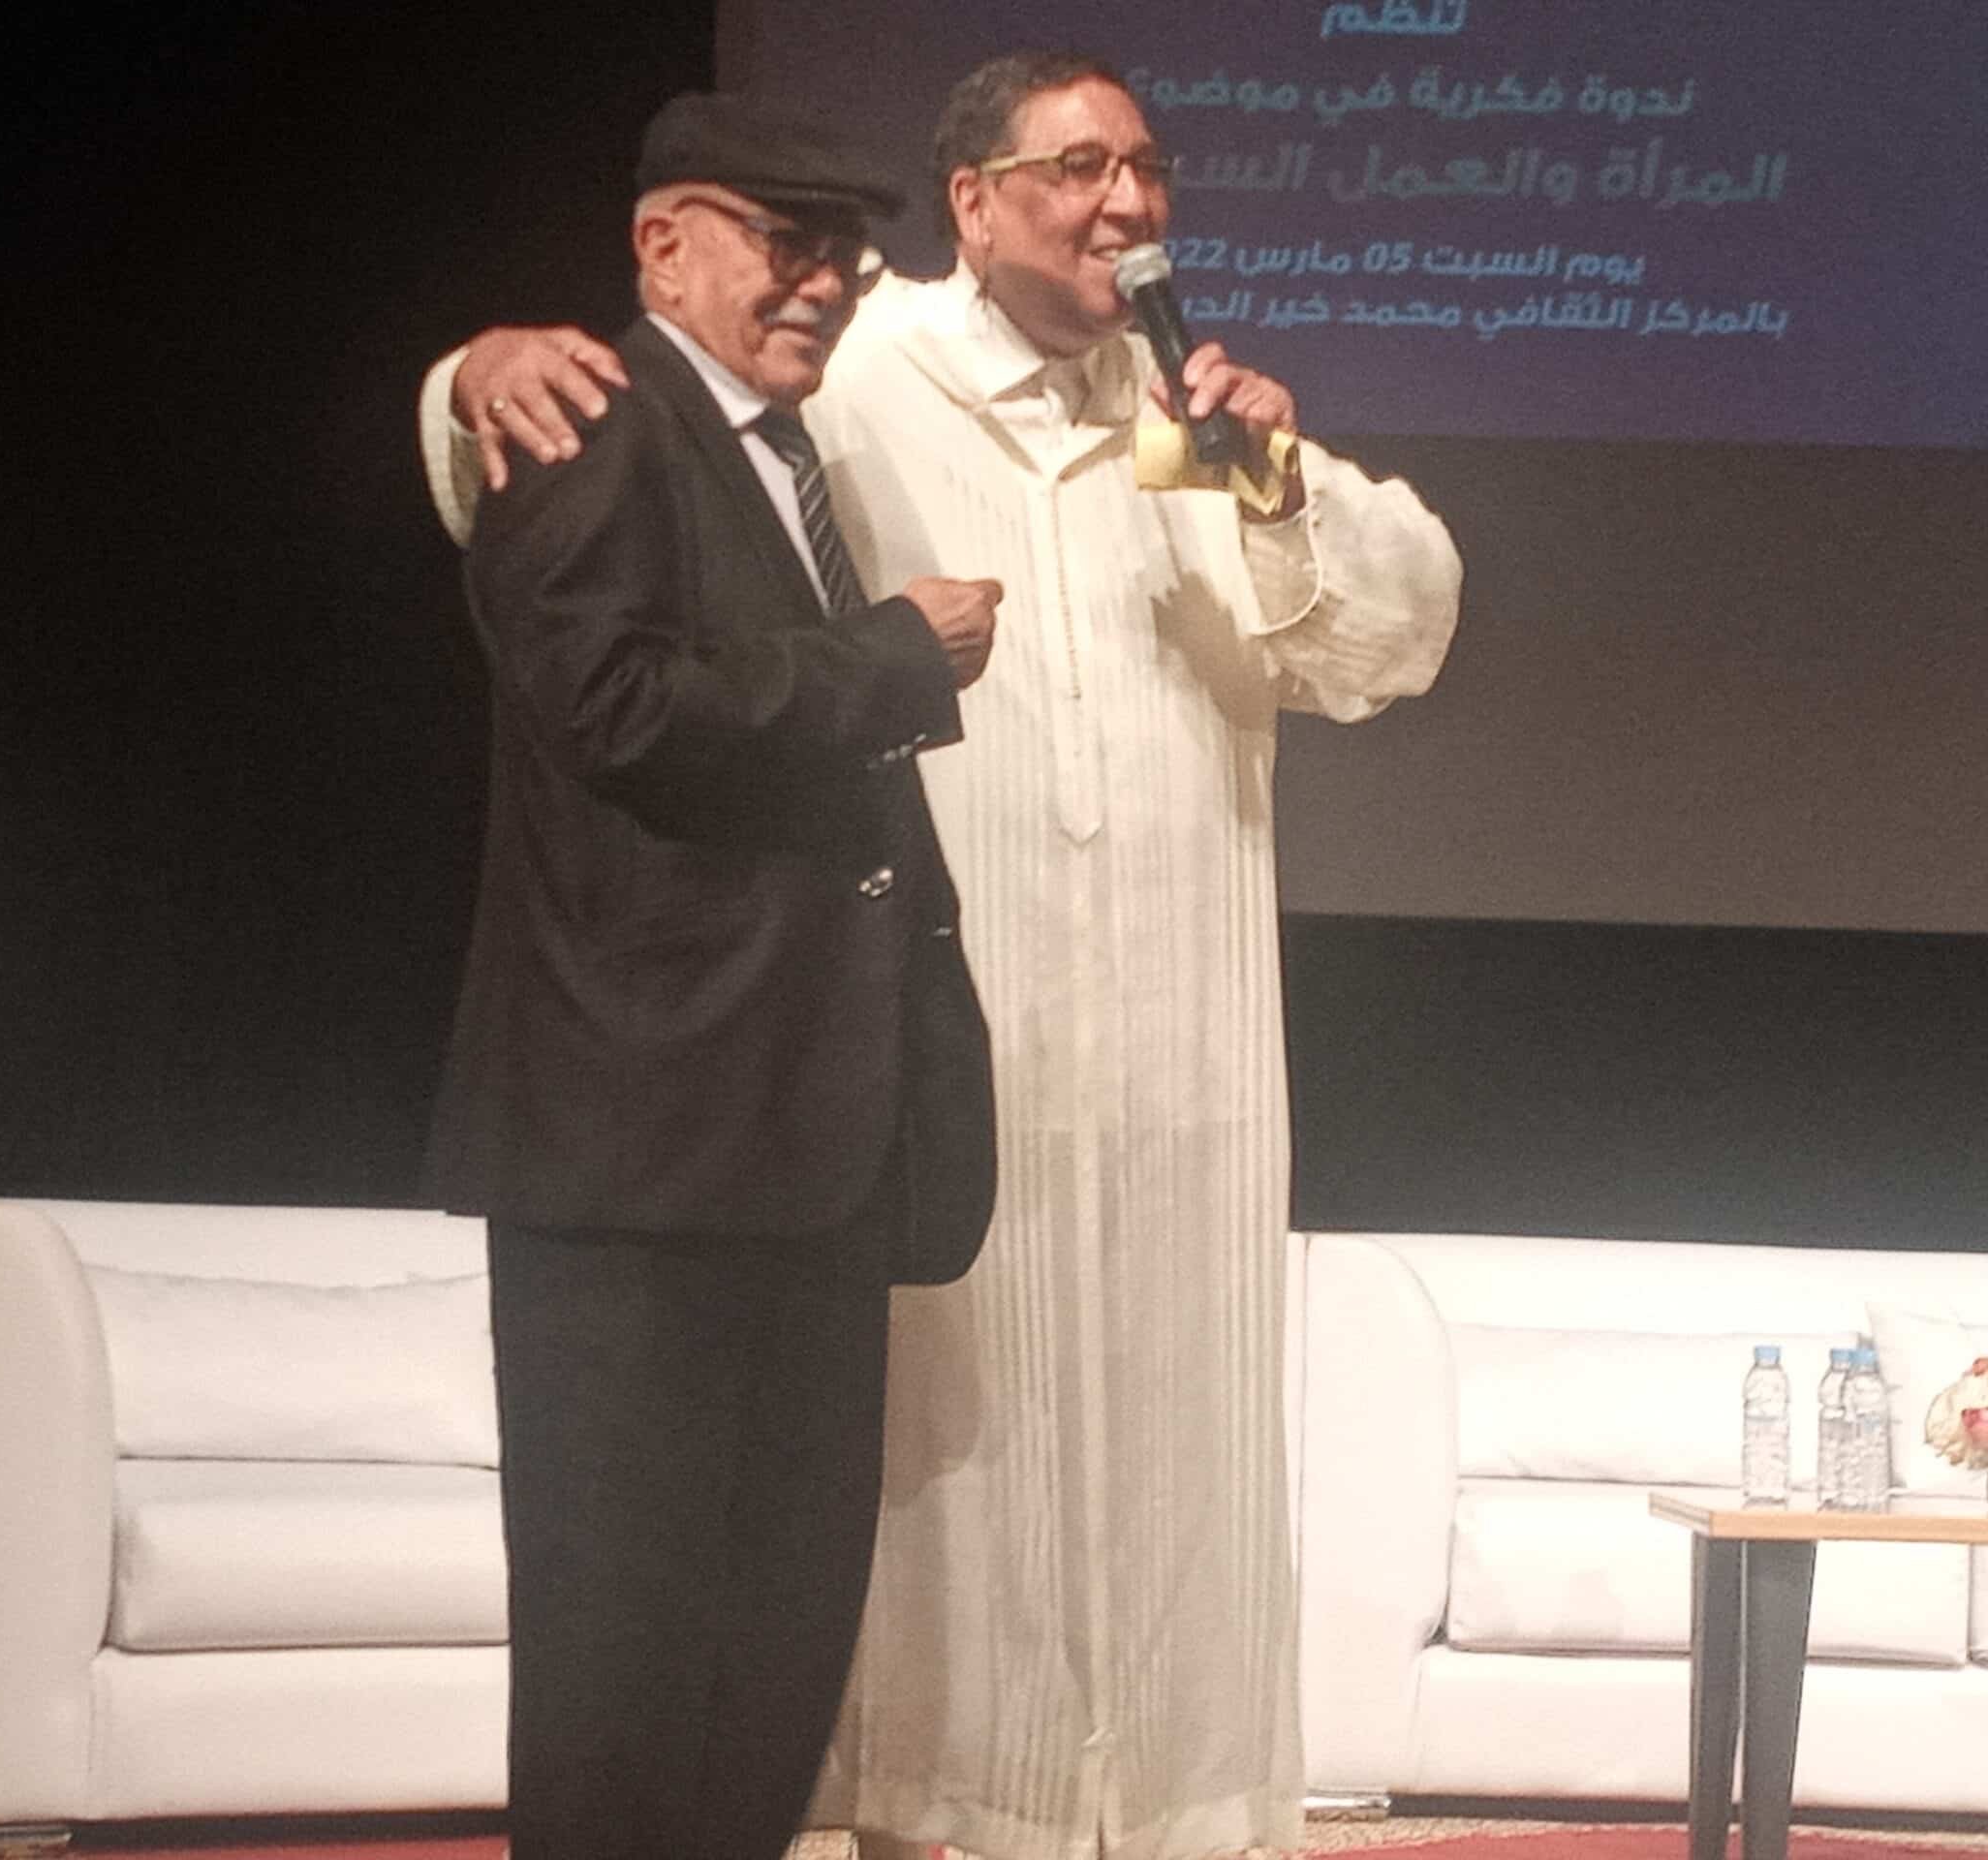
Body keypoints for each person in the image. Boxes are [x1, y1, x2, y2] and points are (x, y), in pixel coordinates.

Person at [422, 53, 1462, 1860]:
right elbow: (579, 486)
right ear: (972, 203)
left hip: (1174, 1064)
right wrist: (466, 375)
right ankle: (950, 1807)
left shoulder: (1186, 411)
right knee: (887, 1511)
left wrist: (1278, 483)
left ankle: (1159, 1816)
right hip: (912, 1055)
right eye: (1079, 167)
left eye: (1149, 168)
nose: (1127, 204)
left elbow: (1387, 646)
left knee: (1146, 1460)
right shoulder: (859, 364)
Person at [425, 90, 1004, 1860]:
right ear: (662, 244)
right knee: (627, 1643)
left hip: (797, 1141)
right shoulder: (592, 419)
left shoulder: (777, 454)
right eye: (785, 240)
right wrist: (891, 657)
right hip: (645, 1143)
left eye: (847, 254)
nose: (824, 280)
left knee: (772, 1641)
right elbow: (612, 711)